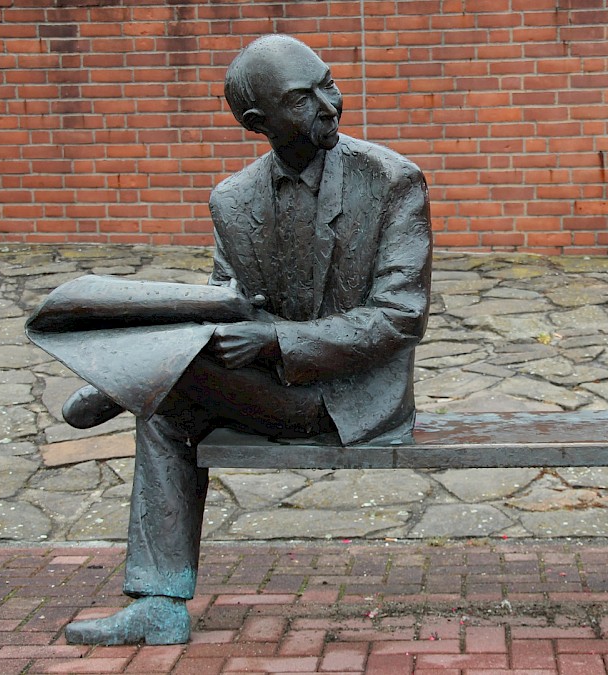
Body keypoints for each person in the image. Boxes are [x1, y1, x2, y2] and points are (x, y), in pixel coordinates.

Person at [57, 34, 432, 645]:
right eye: (303, 99)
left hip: (351, 399)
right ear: (258, 122)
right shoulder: (233, 201)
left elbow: (400, 316)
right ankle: (159, 604)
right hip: (269, 390)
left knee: (160, 395)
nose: (330, 105)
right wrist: (231, 325)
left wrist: (274, 339)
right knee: (168, 403)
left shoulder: (392, 180)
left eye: (329, 83)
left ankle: (120, 385)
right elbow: (226, 304)